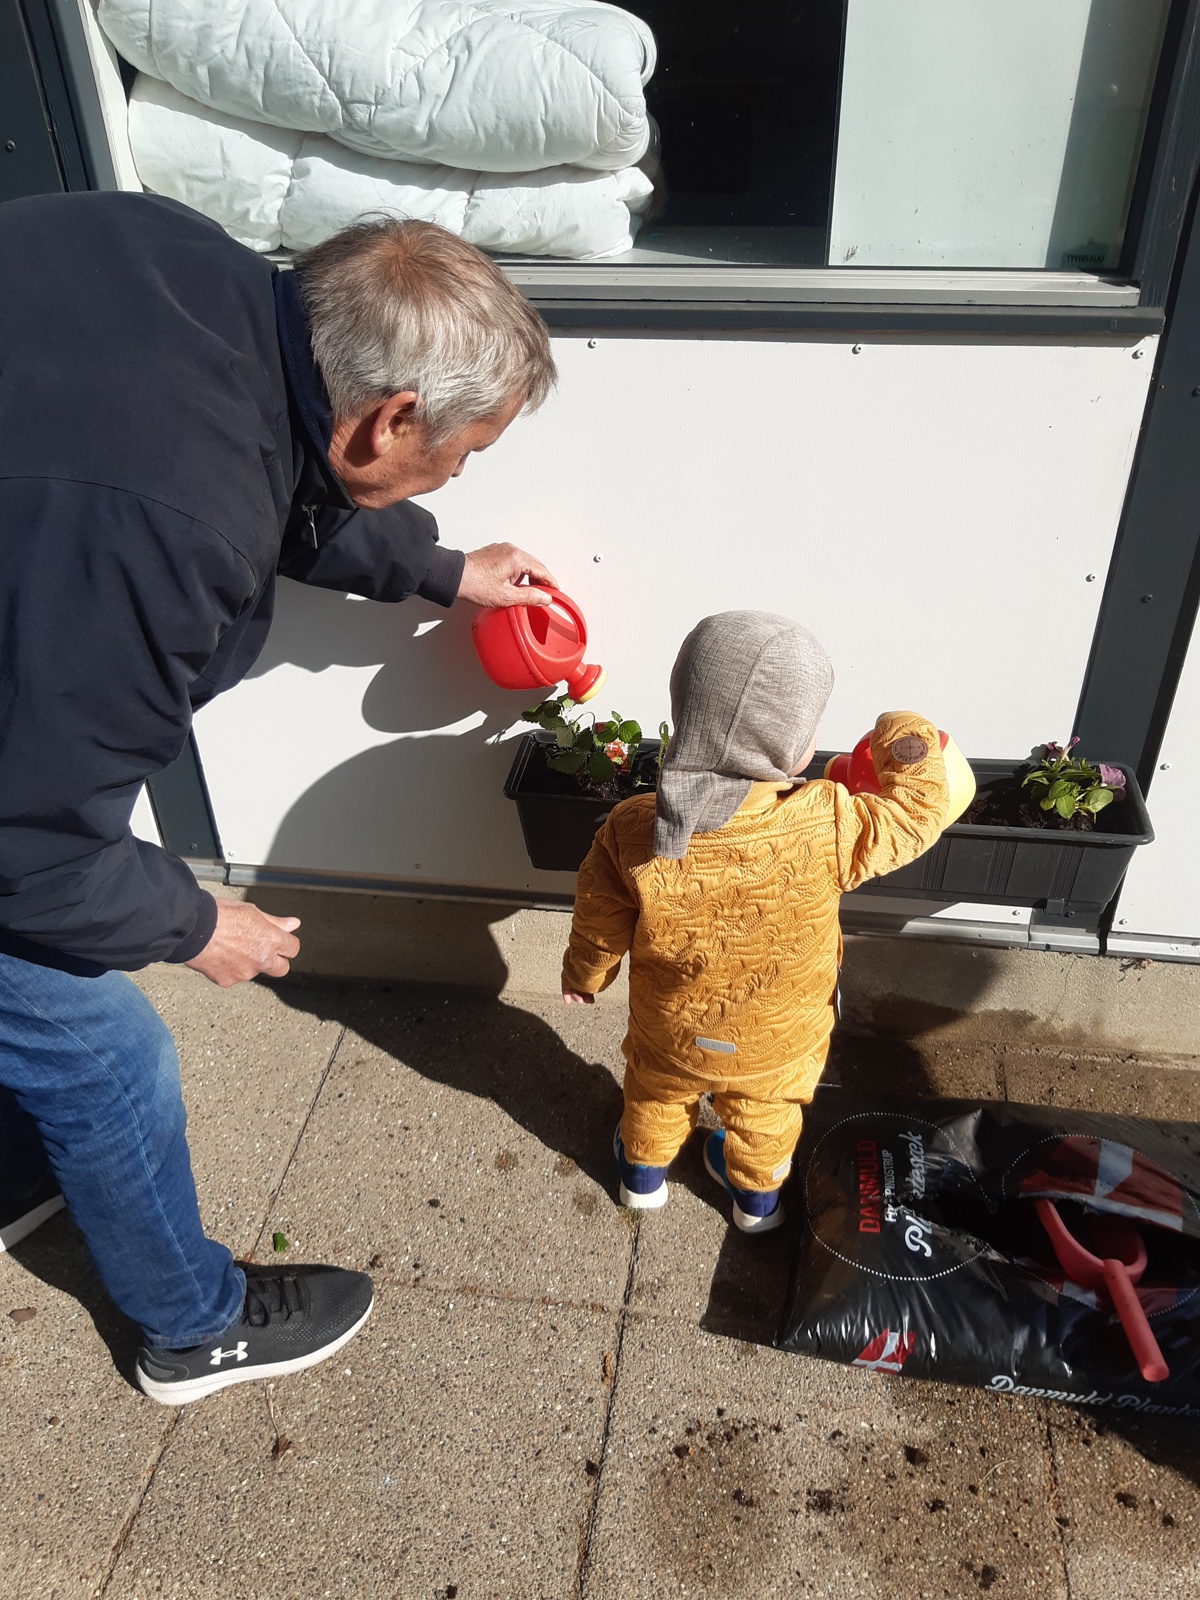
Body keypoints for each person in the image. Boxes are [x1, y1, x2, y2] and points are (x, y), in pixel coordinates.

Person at [0, 193, 558, 1403]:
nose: (459, 471)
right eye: (462, 453)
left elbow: (286, 462)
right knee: (107, 1054)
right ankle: (193, 1329)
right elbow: (27, 845)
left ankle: (17, 1161)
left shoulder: (190, 269)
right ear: (392, 416)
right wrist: (195, 921)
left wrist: (437, 567)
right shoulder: (165, 529)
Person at [561, 610, 953, 1233]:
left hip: (671, 1029)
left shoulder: (634, 826)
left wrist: (586, 976)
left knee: (655, 1094)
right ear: (786, 744)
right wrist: (903, 735)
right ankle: (756, 1206)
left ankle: (642, 1179)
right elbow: (915, 815)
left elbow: (598, 920)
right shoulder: (827, 820)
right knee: (766, 1116)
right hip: (779, 1037)